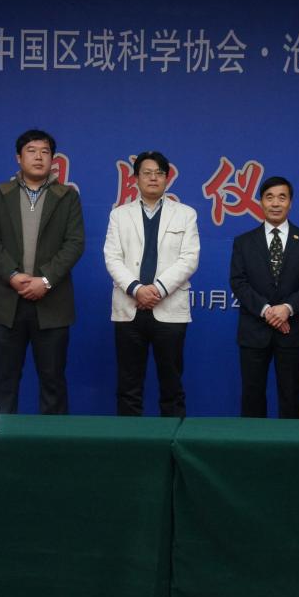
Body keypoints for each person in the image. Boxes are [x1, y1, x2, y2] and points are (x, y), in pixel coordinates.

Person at [0, 129, 85, 415]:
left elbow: (75, 243)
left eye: (45, 151)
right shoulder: (1, 194)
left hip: (52, 302)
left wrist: (46, 280)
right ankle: (1, 440)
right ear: (18, 157)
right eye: (31, 151)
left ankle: (53, 441)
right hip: (8, 302)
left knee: (53, 382)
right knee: (4, 381)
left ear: (53, 158)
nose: (39, 157)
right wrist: (13, 275)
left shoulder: (67, 196)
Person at [103, 151, 200, 416]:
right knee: (128, 386)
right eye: (147, 173)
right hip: (129, 309)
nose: (153, 178)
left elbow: (189, 259)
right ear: (135, 178)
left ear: (167, 178)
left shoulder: (186, 214)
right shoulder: (119, 215)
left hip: (170, 309)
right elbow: (112, 258)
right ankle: (130, 440)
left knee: (171, 385)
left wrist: (157, 289)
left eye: (159, 173)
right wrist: (136, 289)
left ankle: (172, 439)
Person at [230, 176, 299, 418]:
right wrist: (267, 311)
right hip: (254, 331)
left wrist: (287, 308)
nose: (275, 203)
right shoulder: (243, 242)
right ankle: (253, 439)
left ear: (290, 203)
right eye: (269, 197)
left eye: (282, 197)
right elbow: (238, 282)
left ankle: (292, 443)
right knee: (252, 396)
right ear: (260, 202)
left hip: (294, 330)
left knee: (291, 396)